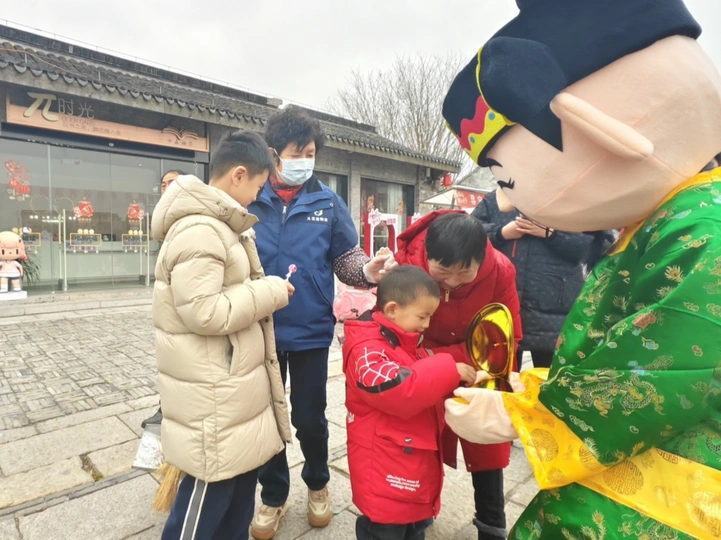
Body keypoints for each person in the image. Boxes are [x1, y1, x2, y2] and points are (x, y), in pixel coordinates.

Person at [441, 0, 721, 538]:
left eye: (506, 179)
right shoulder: (666, 220)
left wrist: (525, 415)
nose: (506, 200)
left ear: (604, 129)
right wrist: (529, 391)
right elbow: (627, 350)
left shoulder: (702, 234)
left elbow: (662, 375)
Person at [248, 106, 393, 539]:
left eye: (310, 153)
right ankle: (273, 494)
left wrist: (367, 271)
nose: (305, 161)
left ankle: (317, 483)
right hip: (259, 328)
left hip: (310, 328)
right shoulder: (250, 197)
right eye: (297, 153)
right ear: (274, 154)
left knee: (309, 416)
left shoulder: (327, 202)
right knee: (265, 418)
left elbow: (345, 257)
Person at [151, 131, 293, 540]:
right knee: (205, 506)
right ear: (238, 175)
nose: (257, 197)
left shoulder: (222, 226)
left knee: (236, 504)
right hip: (212, 398)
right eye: (258, 187)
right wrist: (271, 291)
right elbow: (204, 311)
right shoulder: (200, 230)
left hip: (229, 392)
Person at [394, 211, 522, 540]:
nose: (451, 282)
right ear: (427, 255)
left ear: (482, 258)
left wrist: (450, 360)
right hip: (421, 367)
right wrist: (436, 362)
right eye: (442, 272)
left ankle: (492, 525)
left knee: (487, 447)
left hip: (479, 370)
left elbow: (504, 338)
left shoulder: (500, 271)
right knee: (417, 446)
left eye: (464, 273)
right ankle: (416, 516)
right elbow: (394, 331)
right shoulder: (406, 265)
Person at [343, 266, 478, 540]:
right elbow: (400, 388)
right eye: (422, 316)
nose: (427, 325)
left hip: (408, 466)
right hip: (384, 473)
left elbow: (424, 377)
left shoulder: (408, 344)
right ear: (392, 309)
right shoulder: (366, 349)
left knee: (413, 527)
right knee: (384, 531)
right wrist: (449, 370)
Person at [472, 188, 594, 368]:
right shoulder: (499, 197)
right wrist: (501, 233)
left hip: (553, 306)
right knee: (501, 376)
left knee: (549, 377)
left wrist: (552, 234)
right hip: (502, 302)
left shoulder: (569, 198)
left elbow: (591, 245)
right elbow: (469, 234)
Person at [142, 168, 189, 430]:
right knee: (171, 363)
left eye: (173, 182)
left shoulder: (191, 216)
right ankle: (166, 410)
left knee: (183, 363)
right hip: (168, 302)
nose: (167, 188)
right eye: (163, 184)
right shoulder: (164, 219)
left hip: (188, 302)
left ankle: (171, 413)